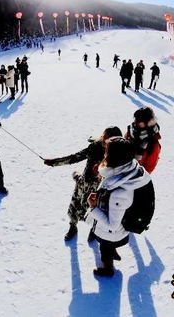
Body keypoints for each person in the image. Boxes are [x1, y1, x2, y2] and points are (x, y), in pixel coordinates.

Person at [86, 137, 153, 276]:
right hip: (118, 229)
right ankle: (113, 252)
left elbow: (112, 225)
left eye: (106, 152)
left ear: (114, 157)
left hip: (111, 232)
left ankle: (108, 269)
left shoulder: (120, 193)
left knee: (105, 249)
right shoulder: (129, 170)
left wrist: (93, 208)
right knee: (109, 246)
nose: (104, 155)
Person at [44, 126, 122, 241]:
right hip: (83, 184)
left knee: (95, 212)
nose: (103, 140)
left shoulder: (117, 156)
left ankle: (94, 230)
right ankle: (72, 227)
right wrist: (54, 162)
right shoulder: (94, 147)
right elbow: (74, 157)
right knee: (74, 207)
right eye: (103, 137)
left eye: (107, 139)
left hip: (99, 189)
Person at [125, 107, 162, 174]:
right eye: (136, 119)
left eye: (139, 121)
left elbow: (149, 168)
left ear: (148, 122)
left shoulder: (153, 143)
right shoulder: (131, 131)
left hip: (135, 176)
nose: (136, 122)